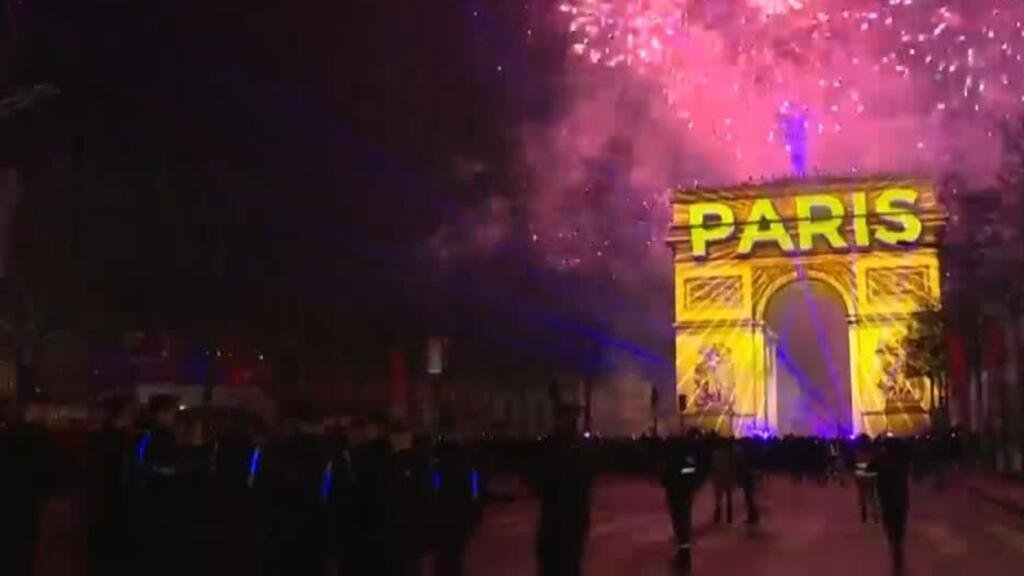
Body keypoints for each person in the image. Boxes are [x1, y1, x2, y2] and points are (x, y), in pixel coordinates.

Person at [0, 397, 56, 576]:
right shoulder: (37, 434)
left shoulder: (12, 435)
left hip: (11, 497)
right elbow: (47, 467)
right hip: (26, 499)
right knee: (24, 548)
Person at [535, 404, 592, 576]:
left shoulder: (555, 446)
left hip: (560, 516)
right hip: (565, 516)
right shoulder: (575, 447)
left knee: (561, 561)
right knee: (566, 562)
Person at [86, 397, 138, 576]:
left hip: (98, 503)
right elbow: (128, 473)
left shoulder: (96, 437)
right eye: (131, 413)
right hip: (119, 503)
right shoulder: (126, 440)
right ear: (123, 414)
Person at [432, 417, 482, 576]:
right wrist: (474, 508)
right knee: (455, 555)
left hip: (445, 510)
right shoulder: (465, 455)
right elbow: (473, 483)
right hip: (459, 511)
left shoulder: (438, 457)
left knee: (445, 556)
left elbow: (435, 484)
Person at [661, 432, 703, 574]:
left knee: (680, 520)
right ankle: (684, 550)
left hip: (677, 492)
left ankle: (684, 553)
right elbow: (693, 471)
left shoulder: (672, 458)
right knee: (683, 519)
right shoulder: (687, 456)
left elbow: (666, 476)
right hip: (685, 491)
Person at [876, 437, 911, 573]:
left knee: (890, 529)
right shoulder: (902, 460)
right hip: (901, 500)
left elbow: (868, 468)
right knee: (899, 531)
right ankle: (898, 556)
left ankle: (896, 554)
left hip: (887, 500)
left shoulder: (882, 460)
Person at [852, 435, 879, 524]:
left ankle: (864, 514)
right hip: (871, 476)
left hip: (861, 476)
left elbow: (854, 464)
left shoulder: (856, 451)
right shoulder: (873, 451)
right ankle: (875, 516)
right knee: (873, 496)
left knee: (862, 495)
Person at [734, 439, 760, 525]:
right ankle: (753, 515)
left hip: (747, 478)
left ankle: (753, 516)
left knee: (749, 497)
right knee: (750, 497)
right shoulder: (750, 454)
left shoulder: (742, 455)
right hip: (749, 478)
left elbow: (741, 466)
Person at [710, 436, 735, 524]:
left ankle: (718, 513)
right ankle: (729, 516)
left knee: (718, 497)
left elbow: (712, 466)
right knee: (729, 496)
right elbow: (732, 465)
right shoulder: (730, 454)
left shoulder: (715, 453)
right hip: (728, 476)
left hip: (718, 477)